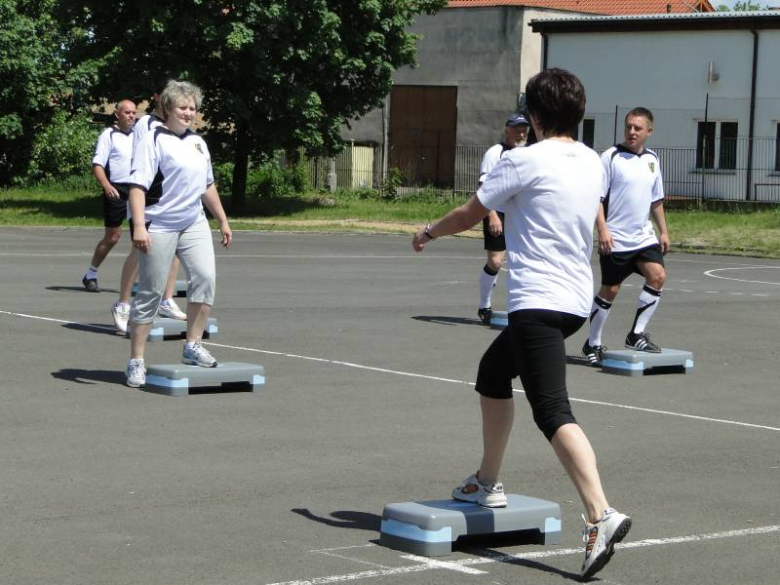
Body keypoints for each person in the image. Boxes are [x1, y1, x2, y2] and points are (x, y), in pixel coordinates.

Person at [412, 69, 631, 581]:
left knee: (552, 409)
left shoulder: (522, 159)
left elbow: (470, 213)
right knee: (492, 375)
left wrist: (427, 232)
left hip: (539, 303)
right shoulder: (590, 162)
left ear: (533, 116)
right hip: (575, 302)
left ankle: (600, 514)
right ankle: (488, 479)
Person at [125, 80, 232, 388]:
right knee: (151, 291)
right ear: (168, 108)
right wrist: (139, 226)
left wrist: (222, 220)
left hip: (193, 222)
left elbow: (207, 185)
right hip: (159, 223)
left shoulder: (198, 142)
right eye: (183, 107)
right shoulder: (153, 139)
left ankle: (193, 345)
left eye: (193, 108)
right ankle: (136, 360)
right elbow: (137, 187)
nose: (189, 113)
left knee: (206, 278)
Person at [582, 107, 669, 366]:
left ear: (649, 132)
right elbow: (596, 198)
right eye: (628, 126)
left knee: (658, 276)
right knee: (611, 289)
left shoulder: (653, 159)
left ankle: (636, 334)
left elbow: (656, 200)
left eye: (637, 128)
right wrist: (603, 230)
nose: (632, 132)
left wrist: (663, 230)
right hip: (616, 237)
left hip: (643, 237)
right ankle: (593, 342)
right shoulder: (610, 157)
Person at [110, 81, 187, 332]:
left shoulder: (177, 128)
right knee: (140, 250)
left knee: (175, 247)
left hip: (169, 199)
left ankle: (166, 299)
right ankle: (122, 303)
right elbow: (144, 162)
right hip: (146, 197)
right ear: (156, 98)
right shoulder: (146, 124)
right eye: (166, 96)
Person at [476, 113, 529, 325]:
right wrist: (492, 216)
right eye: (516, 128)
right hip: (498, 213)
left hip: (520, 215)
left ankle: (519, 308)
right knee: (496, 261)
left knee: (521, 264)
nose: (521, 132)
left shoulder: (529, 153)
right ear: (507, 130)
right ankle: (484, 305)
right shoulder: (495, 153)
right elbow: (484, 188)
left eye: (524, 128)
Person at [82, 100, 137, 292]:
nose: (131, 116)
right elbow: (97, 164)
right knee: (113, 237)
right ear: (117, 114)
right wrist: (106, 185)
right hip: (116, 189)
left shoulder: (139, 135)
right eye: (127, 112)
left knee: (140, 237)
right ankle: (91, 274)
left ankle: (136, 281)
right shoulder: (109, 135)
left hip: (136, 191)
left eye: (133, 113)